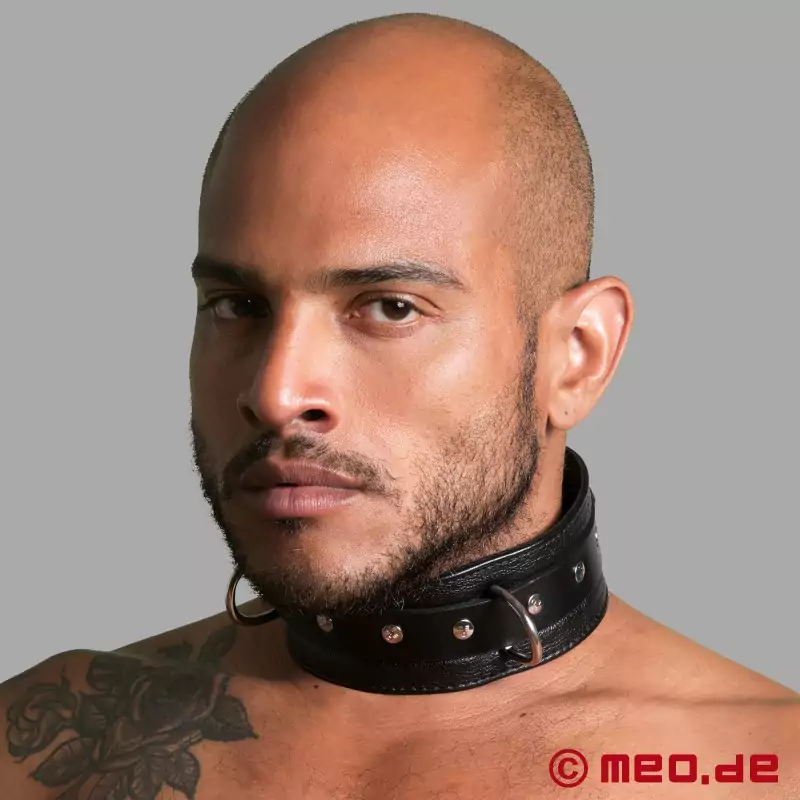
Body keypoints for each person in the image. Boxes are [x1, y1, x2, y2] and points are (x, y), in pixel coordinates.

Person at [2, 12, 797, 799]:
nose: (276, 394)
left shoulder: (764, 772)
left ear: (577, 357)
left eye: (390, 307)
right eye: (237, 306)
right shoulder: (44, 748)